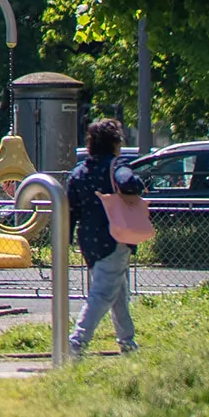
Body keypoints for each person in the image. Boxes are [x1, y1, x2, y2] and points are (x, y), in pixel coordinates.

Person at [65, 116, 140, 359]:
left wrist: (63, 241)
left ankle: (127, 342)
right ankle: (77, 341)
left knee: (117, 291)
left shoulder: (79, 172)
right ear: (115, 143)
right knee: (103, 293)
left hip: (89, 242)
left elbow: (70, 210)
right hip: (114, 237)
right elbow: (129, 182)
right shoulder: (116, 165)